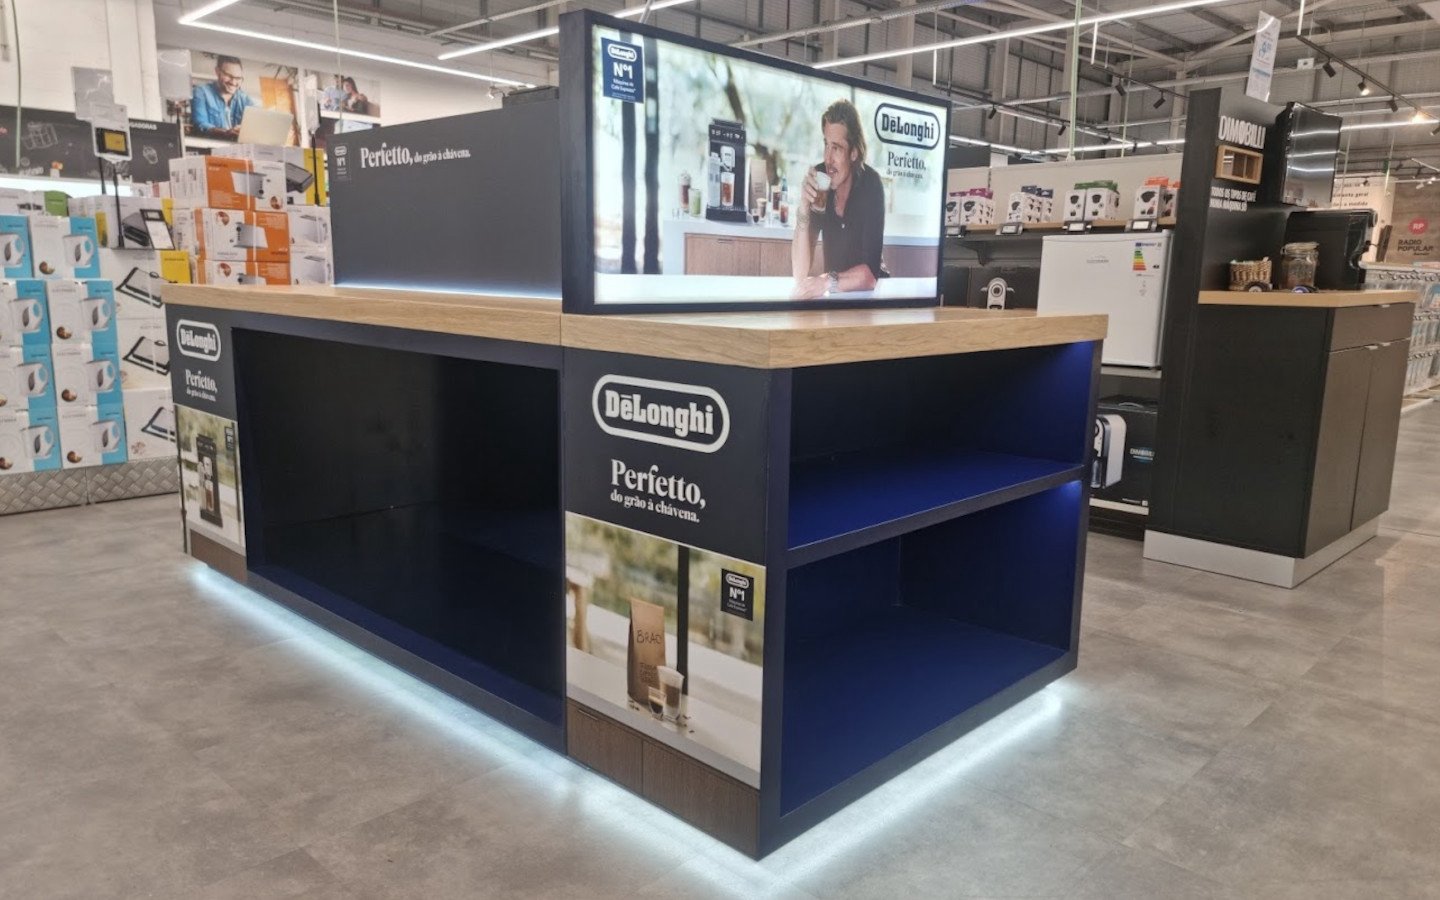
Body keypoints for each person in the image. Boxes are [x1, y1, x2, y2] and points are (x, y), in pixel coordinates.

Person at [791, 99, 887, 299]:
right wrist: (803, 205)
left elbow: (870, 276)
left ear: (854, 153)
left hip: (871, 295)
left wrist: (826, 281)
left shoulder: (870, 185)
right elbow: (799, 272)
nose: (828, 159)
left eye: (836, 148)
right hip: (837, 295)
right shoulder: (821, 180)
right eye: (826, 145)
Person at [190, 56, 256, 139]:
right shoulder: (201, 92)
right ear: (217, 71)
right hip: (210, 145)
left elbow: (256, 124)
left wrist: (244, 129)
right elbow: (200, 124)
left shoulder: (245, 99)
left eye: (238, 78)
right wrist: (226, 133)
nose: (233, 82)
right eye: (229, 76)